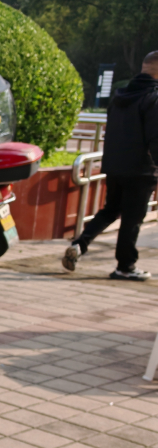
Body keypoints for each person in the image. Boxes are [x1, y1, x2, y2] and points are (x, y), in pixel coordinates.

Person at [63, 51, 158, 280]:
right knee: (132, 219)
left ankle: (79, 245)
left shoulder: (120, 95)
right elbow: (155, 137)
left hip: (115, 165)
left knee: (110, 209)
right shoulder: (153, 98)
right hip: (141, 169)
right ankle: (125, 267)